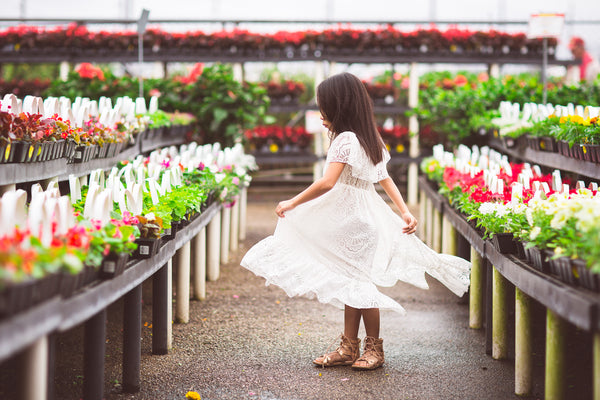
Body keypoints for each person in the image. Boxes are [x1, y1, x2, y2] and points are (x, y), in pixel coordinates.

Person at [241, 72, 471, 370]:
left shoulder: (345, 140)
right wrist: (404, 211)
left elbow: (327, 182)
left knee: (360, 286)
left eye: (323, 107)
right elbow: (384, 178)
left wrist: (292, 202)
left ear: (339, 106)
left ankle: (373, 349)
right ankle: (349, 347)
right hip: (365, 218)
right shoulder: (368, 137)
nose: (321, 114)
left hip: (350, 220)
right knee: (354, 282)